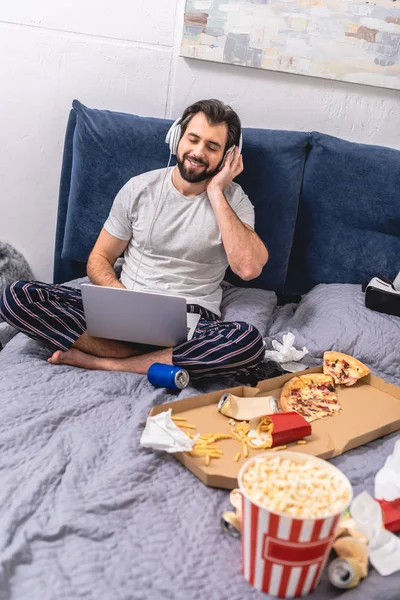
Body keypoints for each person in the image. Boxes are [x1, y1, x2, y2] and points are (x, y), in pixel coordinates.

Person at [0, 99, 269, 381]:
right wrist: (120, 296)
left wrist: (216, 192)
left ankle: (107, 362)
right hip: (126, 303)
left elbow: (248, 268)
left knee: (248, 343)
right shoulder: (139, 188)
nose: (198, 152)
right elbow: (99, 258)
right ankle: (151, 359)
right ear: (176, 137)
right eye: (193, 139)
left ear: (228, 157)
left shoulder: (234, 202)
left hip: (191, 319)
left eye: (212, 147)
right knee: (16, 296)